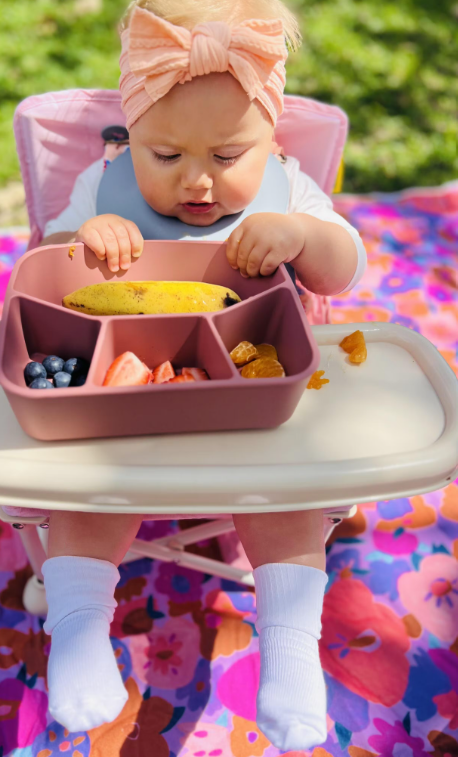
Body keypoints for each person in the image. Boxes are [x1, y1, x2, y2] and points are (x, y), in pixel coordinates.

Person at [37, 0, 367, 749]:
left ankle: (288, 649)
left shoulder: (288, 190)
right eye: (163, 156)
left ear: (270, 136)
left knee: (285, 496)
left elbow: (347, 270)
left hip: (257, 404)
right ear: (130, 135)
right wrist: (84, 239)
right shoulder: (104, 182)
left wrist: (304, 236)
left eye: (225, 158)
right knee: (86, 487)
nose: (196, 183)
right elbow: (48, 275)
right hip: (128, 402)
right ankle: (79, 627)